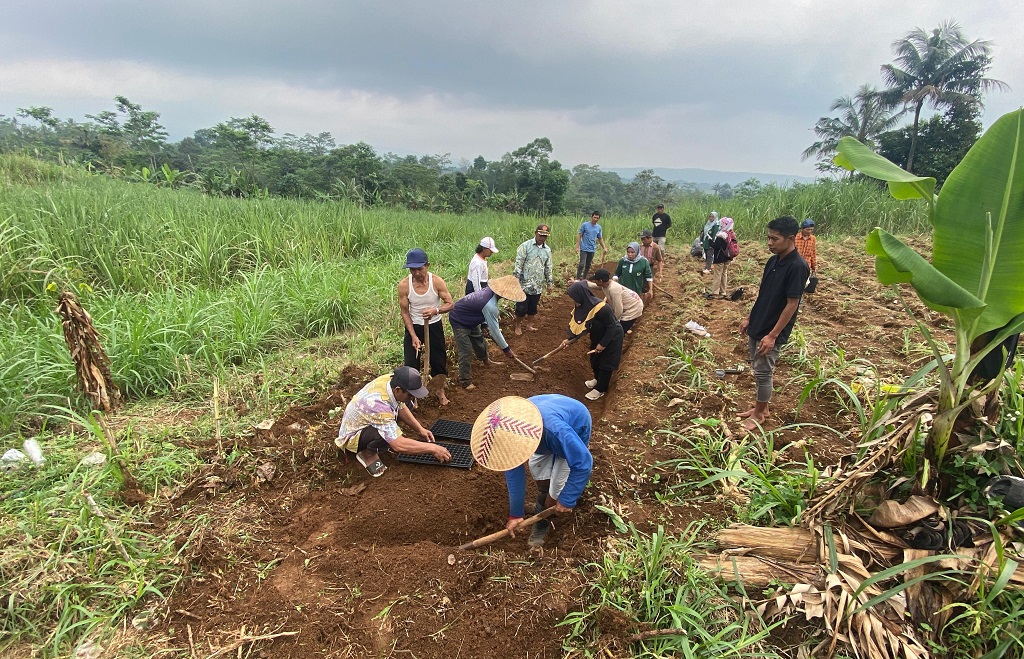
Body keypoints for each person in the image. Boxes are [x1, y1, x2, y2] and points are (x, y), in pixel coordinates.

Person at [470, 394, 593, 548]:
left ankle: (542, 524)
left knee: (556, 492)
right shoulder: (508, 435)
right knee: (539, 473)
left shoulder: (557, 432)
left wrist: (567, 498)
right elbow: (514, 474)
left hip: (575, 424)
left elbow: (583, 462)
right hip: (548, 429)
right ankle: (542, 501)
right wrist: (516, 514)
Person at [738, 216, 810, 431]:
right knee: (757, 367)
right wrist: (750, 318)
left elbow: (792, 304)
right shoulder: (773, 260)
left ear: (790, 239)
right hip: (759, 321)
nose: (769, 243)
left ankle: (760, 413)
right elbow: (763, 293)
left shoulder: (797, 266)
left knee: (763, 371)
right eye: (768, 238)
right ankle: (762, 407)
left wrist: (773, 335)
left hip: (772, 328)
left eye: (774, 239)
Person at [335, 366, 451, 478]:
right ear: (397, 390)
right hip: (353, 436)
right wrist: (432, 448)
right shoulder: (378, 405)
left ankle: (390, 433)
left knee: (407, 404)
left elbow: (400, 405)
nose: (413, 398)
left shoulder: (391, 381)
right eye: (410, 394)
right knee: (383, 435)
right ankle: (367, 454)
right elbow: (398, 445)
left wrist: (420, 429)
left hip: (370, 419)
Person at [398, 248, 454, 405]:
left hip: (434, 327)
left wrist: (435, 310)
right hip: (414, 327)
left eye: (419, 268)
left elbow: (450, 304)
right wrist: (413, 336)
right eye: (412, 269)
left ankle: (439, 391)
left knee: (438, 361)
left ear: (427, 265)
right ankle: (412, 397)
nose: (416, 273)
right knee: (411, 363)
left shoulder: (436, 282)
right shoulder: (404, 285)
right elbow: (404, 312)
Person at [448, 275, 524, 390]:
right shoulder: (490, 305)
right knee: (466, 350)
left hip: (472, 317)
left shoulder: (489, 292)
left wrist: (483, 324)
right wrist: (506, 349)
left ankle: (486, 361)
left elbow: (479, 309)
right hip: (459, 320)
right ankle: (465, 381)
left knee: (480, 342)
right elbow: (495, 332)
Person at [559, 281, 623, 401]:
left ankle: (601, 389)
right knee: (595, 360)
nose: (573, 301)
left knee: (606, 364)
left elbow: (612, 327)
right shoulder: (582, 308)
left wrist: (603, 344)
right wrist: (569, 340)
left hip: (612, 336)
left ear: (580, 295)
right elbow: (582, 327)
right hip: (597, 335)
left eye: (574, 298)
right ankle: (597, 379)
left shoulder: (603, 308)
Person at [513, 224, 553, 336]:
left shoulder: (547, 250)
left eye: (545, 236)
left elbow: (548, 267)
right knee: (521, 308)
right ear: (536, 233)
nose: (542, 238)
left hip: (537, 285)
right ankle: (518, 325)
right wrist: (515, 280)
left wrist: (549, 283)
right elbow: (518, 264)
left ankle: (530, 325)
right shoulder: (525, 246)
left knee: (533, 307)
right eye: (540, 235)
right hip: (524, 284)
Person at [588, 268, 644, 334]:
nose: (594, 282)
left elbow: (619, 310)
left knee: (617, 331)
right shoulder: (605, 284)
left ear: (600, 281)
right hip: (628, 305)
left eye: (595, 280)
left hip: (633, 308)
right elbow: (593, 285)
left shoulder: (613, 290)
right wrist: (577, 282)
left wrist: (612, 323)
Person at [575, 211, 608, 280]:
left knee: (588, 265)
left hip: (592, 249)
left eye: (597, 218)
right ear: (591, 217)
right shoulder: (585, 225)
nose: (595, 219)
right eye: (594, 217)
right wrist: (577, 246)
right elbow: (579, 235)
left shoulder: (598, 228)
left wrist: (604, 247)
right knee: (582, 264)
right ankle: (577, 279)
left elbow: (600, 238)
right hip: (584, 248)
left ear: (599, 219)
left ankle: (584, 279)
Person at [708, 217, 735, 299]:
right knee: (724, 274)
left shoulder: (721, 235)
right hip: (728, 258)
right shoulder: (731, 234)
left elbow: (715, 246)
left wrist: (709, 240)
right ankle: (723, 291)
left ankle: (715, 292)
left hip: (719, 258)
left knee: (717, 275)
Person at [795, 218, 818, 289]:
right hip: (795, 263)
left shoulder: (813, 239)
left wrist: (814, 268)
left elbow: (813, 253)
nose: (809, 231)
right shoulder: (795, 237)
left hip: (806, 264)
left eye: (811, 229)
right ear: (802, 229)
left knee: (804, 283)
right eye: (807, 229)